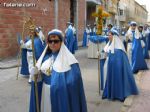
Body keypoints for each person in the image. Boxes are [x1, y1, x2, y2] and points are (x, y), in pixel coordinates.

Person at [29, 29, 87, 112]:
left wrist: (62, 85)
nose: (52, 43)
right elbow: (39, 78)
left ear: (61, 42)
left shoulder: (70, 60)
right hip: (45, 92)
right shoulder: (44, 58)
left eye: (56, 41)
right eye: (50, 41)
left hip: (60, 95)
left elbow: (75, 81)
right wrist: (35, 74)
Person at [102, 29, 138, 101]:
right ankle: (110, 93)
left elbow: (118, 60)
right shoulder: (110, 43)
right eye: (108, 35)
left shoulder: (119, 49)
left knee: (117, 78)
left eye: (109, 35)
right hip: (110, 67)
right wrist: (101, 54)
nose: (108, 37)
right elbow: (105, 52)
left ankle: (118, 95)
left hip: (117, 69)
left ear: (114, 36)